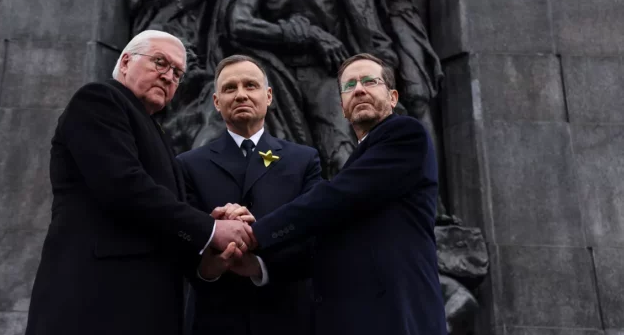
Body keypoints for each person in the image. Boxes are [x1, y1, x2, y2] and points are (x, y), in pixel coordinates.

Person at [24, 30, 255, 335]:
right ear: (125, 62)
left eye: (177, 73)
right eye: (160, 62)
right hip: (95, 303)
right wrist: (210, 229)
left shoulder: (153, 130)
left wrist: (208, 255)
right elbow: (123, 187)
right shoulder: (98, 100)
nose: (169, 76)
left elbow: (160, 214)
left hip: (142, 308)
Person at [243, 53, 447, 335]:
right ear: (342, 107)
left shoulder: (406, 134)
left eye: (370, 81)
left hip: (396, 318)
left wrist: (255, 233)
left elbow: (336, 197)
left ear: (393, 98)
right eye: (349, 86)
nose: (359, 89)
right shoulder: (357, 165)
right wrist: (257, 265)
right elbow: (327, 244)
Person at [200, 0, 398, 177]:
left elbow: (372, 37)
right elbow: (237, 22)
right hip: (267, 73)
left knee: (342, 156)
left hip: (327, 75)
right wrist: (306, 34)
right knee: (256, 157)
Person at [176, 55, 322, 335]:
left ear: (268, 96)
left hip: (288, 317)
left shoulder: (303, 160)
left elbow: (314, 233)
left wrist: (258, 263)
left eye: (250, 85)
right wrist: (211, 235)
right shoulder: (188, 164)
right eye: (230, 88)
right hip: (214, 319)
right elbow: (179, 238)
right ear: (217, 102)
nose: (241, 94)